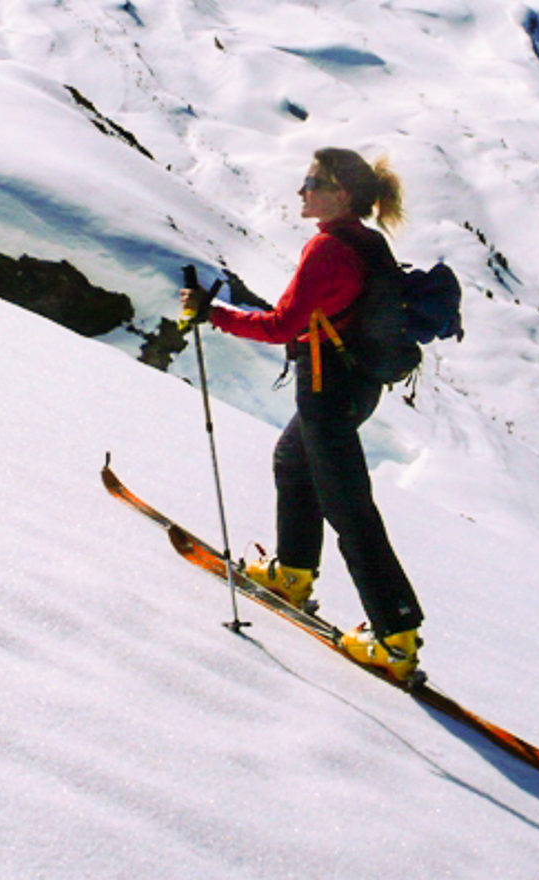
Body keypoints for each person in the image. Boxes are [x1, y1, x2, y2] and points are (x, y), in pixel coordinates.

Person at [181, 148, 425, 681]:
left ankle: (396, 636)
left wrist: (212, 313)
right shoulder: (367, 240)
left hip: (327, 388)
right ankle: (292, 573)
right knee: (293, 463)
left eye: (312, 182)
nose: (302, 191)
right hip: (357, 385)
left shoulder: (329, 249)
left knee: (349, 509)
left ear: (341, 194)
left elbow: (282, 326)